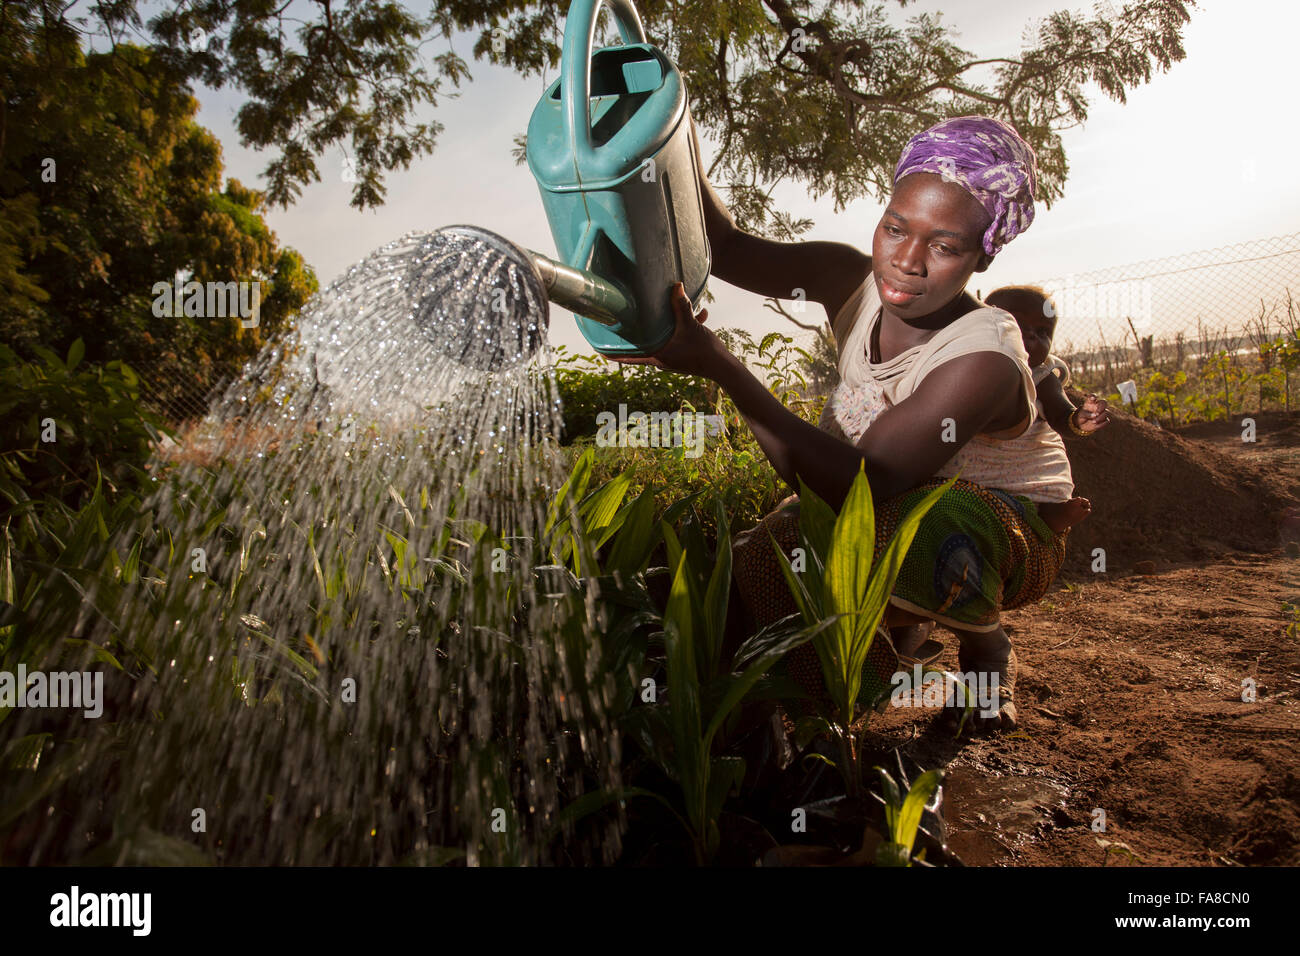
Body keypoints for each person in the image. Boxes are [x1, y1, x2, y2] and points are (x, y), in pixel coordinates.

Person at [613, 115, 1068, 730]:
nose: (905, 261)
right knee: (744, 566)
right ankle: (874, 661)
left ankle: (870, 695)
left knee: (790, 556)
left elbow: (859, 484)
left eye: (945, 245)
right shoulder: (847, 278)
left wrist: (719, 364)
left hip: (1004, 528)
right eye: (895, 228)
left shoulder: (983, 356)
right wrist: (671, 130)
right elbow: (723, 247)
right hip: (903, 495)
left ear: (982, 255)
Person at [982, 285, 1111, 532]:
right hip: (975, 463)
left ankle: (1052, 511)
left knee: (1051, 477)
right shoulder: (966, 364)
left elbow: (1061, 414)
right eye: (1018, 327)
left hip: (1028, 462)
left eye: (1042, 331)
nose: (1031, 337)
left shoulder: (1041, 376)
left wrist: (1079, 420)